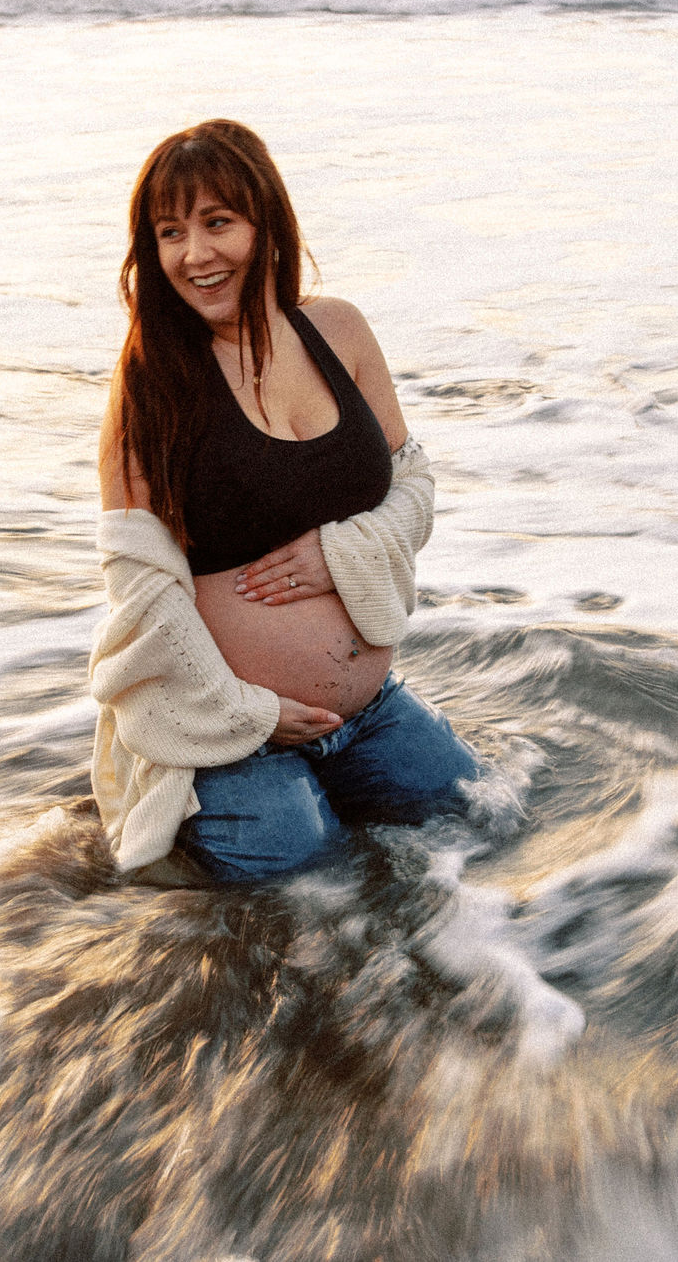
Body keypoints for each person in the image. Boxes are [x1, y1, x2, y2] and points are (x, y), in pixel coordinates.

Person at [88, 120, 478, 884]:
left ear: (266, 221)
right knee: (299, 876)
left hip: (366, 713)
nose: (195, 255)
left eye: (217, 222)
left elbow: (416, 485)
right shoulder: (151, 386)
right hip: (223, 732)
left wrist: (340, 555)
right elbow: (140, 593)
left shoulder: (338, 331)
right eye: (170, 232)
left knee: (471, 812)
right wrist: (252, 714)